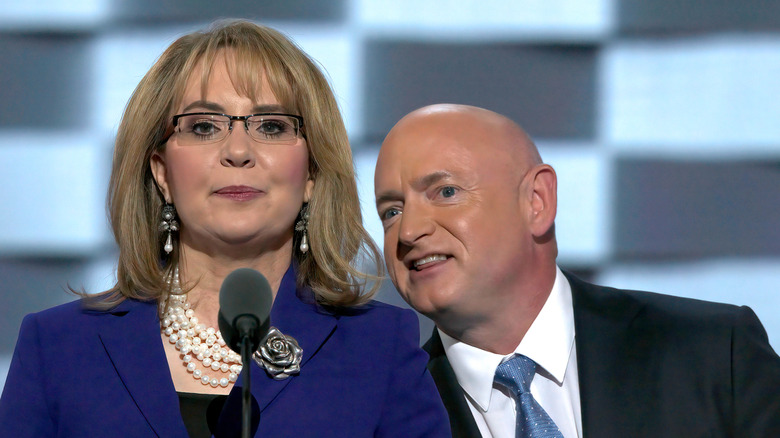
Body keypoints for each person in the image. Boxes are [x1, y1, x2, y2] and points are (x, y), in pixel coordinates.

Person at [0, 21, 450, 437]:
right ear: (161, 171)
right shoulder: (57, 346)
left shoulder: (380, 347)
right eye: (203, 126)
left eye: (272, 126)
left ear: (311, 173)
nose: (238, 150)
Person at [373, 103, 780, 437]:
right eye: (392, 211)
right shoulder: (383, 411)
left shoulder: (713, 353)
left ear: (537, 201)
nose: (408, 231)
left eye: (445, 192)